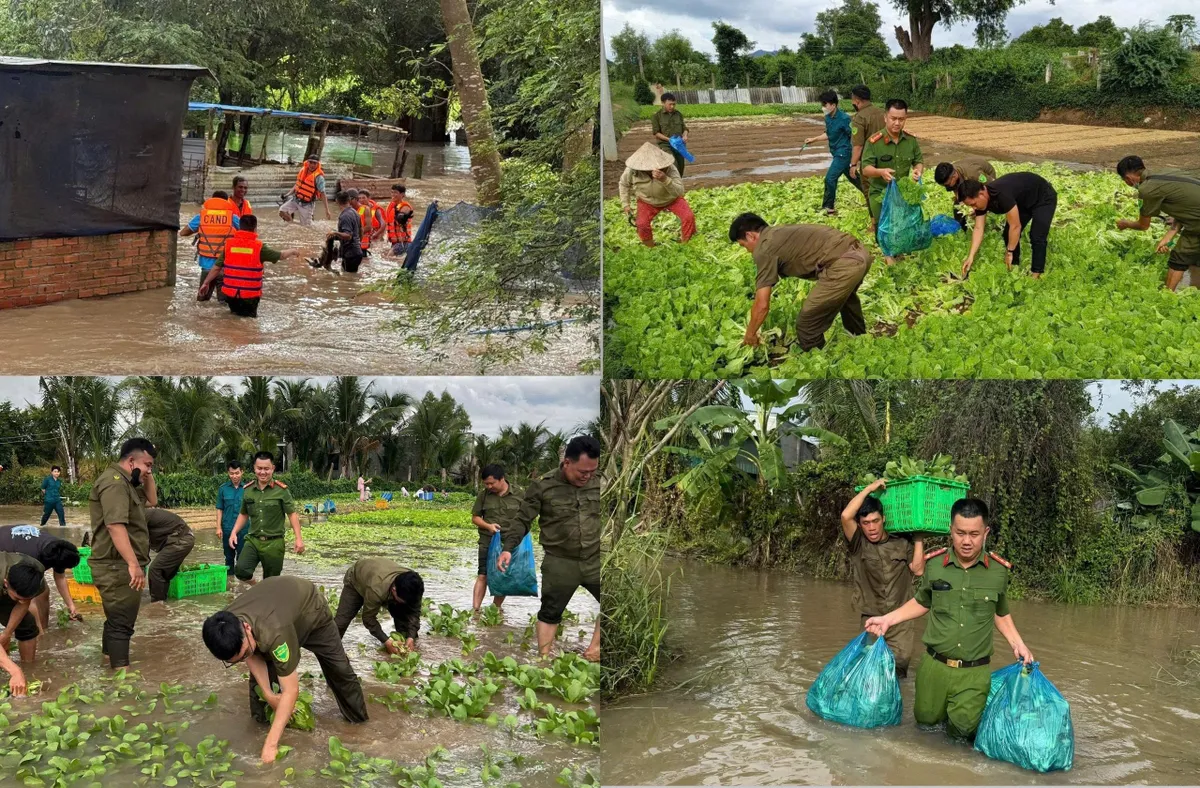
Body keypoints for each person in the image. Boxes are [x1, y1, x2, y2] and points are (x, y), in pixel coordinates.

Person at [864, 498, 1033, 740]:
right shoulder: (934, 565)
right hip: (934, 668)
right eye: (960, 532)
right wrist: (888, 620)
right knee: (924, 727)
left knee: (962, 735)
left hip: (974, 673)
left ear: (985, 532)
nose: (966, 541)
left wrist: (1018, 644)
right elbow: (922, 601)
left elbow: (1000, 611)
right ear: (950, 530)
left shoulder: (998, 571)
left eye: (974, 534)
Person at [201, 576, 368, 764]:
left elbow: (291, 691)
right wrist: (269, 694)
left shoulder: (275, 632)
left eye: (244, 653)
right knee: (261, 691)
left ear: (246, 627)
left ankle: (360, 723)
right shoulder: (224, 625)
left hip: (310, 611)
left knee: (339, 670)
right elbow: (251, 656)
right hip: (274, 612)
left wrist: (271, 745)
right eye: (235, 661)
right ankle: (260, 728)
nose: (244, 659)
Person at [498, 436, 601, 662]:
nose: (588, 476)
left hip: (596, 559)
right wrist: (507, 548)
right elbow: (523, 520)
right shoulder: (543, 486)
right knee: (550, 612)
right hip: (560, 561)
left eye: (592, 471)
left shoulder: (600, 482)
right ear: (566, 463)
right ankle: (543, 660)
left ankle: (594, 650)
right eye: (583, 471)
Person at [729, 213, 872, 351]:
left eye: (743, 245)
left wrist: (750, 334)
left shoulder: (764, 248)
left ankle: (818, 362)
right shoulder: (778, 232)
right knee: (845, 298)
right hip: (860, 253)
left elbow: (762, 305)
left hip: (845, 264)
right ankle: (859, 342)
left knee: (807, 323)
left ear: (750, 235)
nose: (747, 251)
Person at [840, 480, 924, 678]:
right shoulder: (858, 543)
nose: (872, 528)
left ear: (883, 519)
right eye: (866, 523)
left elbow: (918, 570)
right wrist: (869, 489)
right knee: (869, 671)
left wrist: (919, 538)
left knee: (898, 671)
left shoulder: (902, 541)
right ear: (860, 525)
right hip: (871, 618)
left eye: (875, 521)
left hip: (901, 620)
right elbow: (845, 515)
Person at [88, 437, 156, 669]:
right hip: (117, 565)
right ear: (130, 460)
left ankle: (108, 662)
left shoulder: (127, 482)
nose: (148, 471)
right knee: (121, 624)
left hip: (117, 564)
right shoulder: (116, 483)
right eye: (147, 465)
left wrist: (146, 472)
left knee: (116, 621)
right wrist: (133, 564)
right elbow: (115, 525)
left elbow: (153, 500)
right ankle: (121, 679)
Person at [1115, 155, 1200, 291]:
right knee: (1196, 260)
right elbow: (1187, 207)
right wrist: (1169, 237)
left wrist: (1125, 224)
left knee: (1179, 258)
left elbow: (1144, 225)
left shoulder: (1147, 190)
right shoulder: (1166, 172)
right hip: (1195, 216)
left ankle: (1166, 298)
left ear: (1128, 178)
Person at [196, 214, 309, 317]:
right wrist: (293, 251)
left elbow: (216, 268)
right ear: (255, 228)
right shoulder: (260, 248)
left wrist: (205, 283)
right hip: (249, 297)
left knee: (234, 319)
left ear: (239, 227)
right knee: (248, 324)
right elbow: (281, 255)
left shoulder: (229, 245)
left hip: (231, 296)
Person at [958, 173, 1058, 279]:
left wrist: (1009, 251)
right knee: (1007, 234)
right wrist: (971, 256)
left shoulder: (1002, 195)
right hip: (1024, 201)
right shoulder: (982, 203)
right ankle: (1014, 266)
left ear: (982, 193)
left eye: (973, 204)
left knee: (1037, 235)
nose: (974, 208)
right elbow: (978, 228)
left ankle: (1036, 274)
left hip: (1043, 197)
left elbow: (1016, 226)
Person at [861, 98, 924, 265]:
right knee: (884, 226)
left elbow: (918, 161)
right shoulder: (874, 141)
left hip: (901, 193)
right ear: (885, 118)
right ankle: (888, 255)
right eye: (893, 118)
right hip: (880, 193)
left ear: (905, 119)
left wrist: (918, 171)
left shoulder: (910, 140)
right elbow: (865, 169)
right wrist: (880, 172)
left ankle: (896, 250)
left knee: (901, 226)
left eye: (901, 119)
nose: (897, 123)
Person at [229, 451, 304, 584]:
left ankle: (267, 597)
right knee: (241, 570)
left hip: (274, 543)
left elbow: (292, 514)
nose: (262, 472)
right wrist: (234, 532)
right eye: (259, 468)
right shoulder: (248, 490)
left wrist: (298, 539)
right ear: (254, 468)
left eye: (266, 469)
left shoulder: (282, 490)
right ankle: (257, 587)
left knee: (271, 582)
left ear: (272, 469)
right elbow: (244, 513)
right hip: (253, 540)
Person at [0, 525, 82, 630]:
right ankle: (37, 631)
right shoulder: (31, 557)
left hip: (13, 540)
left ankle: (44, 627)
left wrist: (70, 605)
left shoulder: (59, 549)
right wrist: (37, 631)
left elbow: (60, 578)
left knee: (44, 591)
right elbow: (29, 599)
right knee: (25, 594)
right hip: (5, 548)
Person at [334, 559, 423, 654]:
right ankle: (327, 652)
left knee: (405, 624)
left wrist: (411, 638)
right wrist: (387, 641)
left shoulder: (413, 586)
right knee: (341, 623)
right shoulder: (376, 590)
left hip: (383, 580)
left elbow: (414, 612)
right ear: (394, 590)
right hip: (356, 579)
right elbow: (368, 619)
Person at [618, 142, 694, 248]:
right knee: (641, 224)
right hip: (647, 201)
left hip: (671, 198)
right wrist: (625, 204)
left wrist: (665, 179)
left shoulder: (670, 169)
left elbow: (680, 191)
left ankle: (687, 244)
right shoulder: (632, 171)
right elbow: (624, 184)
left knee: (688, 217)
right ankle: (650, 247)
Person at [136, 469, 195, 604]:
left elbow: (142, 544)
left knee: (155, 570)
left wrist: (140, 567)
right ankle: (164, 606)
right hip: (179, 539)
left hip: (181, 539)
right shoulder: (140, 516)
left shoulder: (141, 516)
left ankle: (157, 606)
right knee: (163, 574)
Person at [471, 464, 522, 613]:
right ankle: (476, 611)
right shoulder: (484, 495)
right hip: (487, 540)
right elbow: (475, 518)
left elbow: (526, 518)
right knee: (482, 574)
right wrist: (488, 526)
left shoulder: (519, 495)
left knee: (503, 575)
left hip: (510, 543)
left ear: (502, 479)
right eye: (486, 483)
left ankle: (495, 609)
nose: (489, 486)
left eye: (491, 483)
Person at [804, 90, 858, 216]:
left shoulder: (844, 118)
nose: (823, 107)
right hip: (836, 152)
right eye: (822, 104)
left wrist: (856, 157)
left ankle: (829, 207)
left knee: (830, 178)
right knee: (854, 177)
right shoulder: (828, 118)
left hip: (844, 153)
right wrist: (814, 139)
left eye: (825, 104)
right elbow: (829, 133)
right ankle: (870, 194)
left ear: (833, 105)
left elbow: (854, 136)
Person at [0, 553, 48, 696]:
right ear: (6, 583)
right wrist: (14, 670)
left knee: (27, 624)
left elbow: (23, 603)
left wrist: (7, 634)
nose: (22, 601)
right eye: (17, 598)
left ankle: (28, 669)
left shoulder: (36, 576)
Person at [848, 85, 887, 231]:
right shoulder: (882, 113)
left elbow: (857, 146)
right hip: (885, 158)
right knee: (885, 190)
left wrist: (853, 165)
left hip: (869, 162)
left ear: (856, 100)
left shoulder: (859, 118)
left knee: (870, 192)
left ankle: (875, 224)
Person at [178, 191, 240, 281]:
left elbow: (183, 233)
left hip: (206, 267)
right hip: (225, 266)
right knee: (223, 295)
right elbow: (247, 233)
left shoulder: (201, 217)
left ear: (212, 200)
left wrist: (203, 229)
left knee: (203, 293)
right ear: (227, 202)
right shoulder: (233, 218)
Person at [933, 157, 999, 228]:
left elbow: (992, 186)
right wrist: (960, 200)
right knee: (958, 206)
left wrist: (980, 208)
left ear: (954, 176)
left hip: (987, 177)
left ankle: (991, 224)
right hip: (965, 178)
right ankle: (961, 226)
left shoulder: (974, 174)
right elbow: (953, 187)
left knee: (983, 203)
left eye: (947, 185)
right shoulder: (950, 175)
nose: (946, 187)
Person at [279, 156, 330, 226]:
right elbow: (297, 185)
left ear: (318, 164)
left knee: (306, 227)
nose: (312, 165)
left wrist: (327, 210)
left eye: (314, 163)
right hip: (296, 200)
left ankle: (310, 222)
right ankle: (292, 227)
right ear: (307, 162)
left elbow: (323, 194)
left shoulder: (319, 178)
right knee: (282, 211)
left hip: (307, 204)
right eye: (310, 162)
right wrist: (287, 195)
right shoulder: (303, 170)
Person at [321, 191, 365, 273]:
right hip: (357, 252)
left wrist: (335, 233)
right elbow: (361, 231)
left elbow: (348, 235)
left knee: (348, 279)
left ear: (337, 201)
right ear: (349, 200)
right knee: (350, 277)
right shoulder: (355, 212)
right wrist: (357, 244)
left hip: (350, 253)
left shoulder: (345, 216)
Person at [216, 461, 246, 576]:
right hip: (227, 528)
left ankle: (241, 584)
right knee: (228, 558)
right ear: (228, 473)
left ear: (242, 472)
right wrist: (218, 527)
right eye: (232, 473)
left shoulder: (247, 489)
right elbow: (219, 509)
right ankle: (229, 583)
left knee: (242, 558)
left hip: (243, 530)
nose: (235, 476)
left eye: (237, 473)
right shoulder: (223, 489)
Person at [651, 92, 689, 176]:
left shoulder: (678, 114)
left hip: (679, 144)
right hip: (666, 145)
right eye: (670, 104)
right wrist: (670, 139)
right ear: (663, 103)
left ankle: (677, 185)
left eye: (674, 104)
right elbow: (656, 133)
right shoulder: (656, 116)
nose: (672, 106)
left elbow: (684, 129)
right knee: (673, 165)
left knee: (681, 167)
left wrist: (685, 135)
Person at [384, 184, 415, 256]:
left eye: (395, 192)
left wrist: (401, 216)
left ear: (402, 194)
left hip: (403, 243)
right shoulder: (391, 206)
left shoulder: (405, 207)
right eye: (392, 192)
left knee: (388, 258)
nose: (393, 194)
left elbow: (402, 218)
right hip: (395, 242)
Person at [356, 188, 385, 256]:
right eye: (359, 198)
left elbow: (383, 224)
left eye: (363, 198)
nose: (361, 200)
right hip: (365, 234)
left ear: (369, 198)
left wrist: (376, 234)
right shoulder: (360, 209)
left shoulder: (376, 209)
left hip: (376, 234)